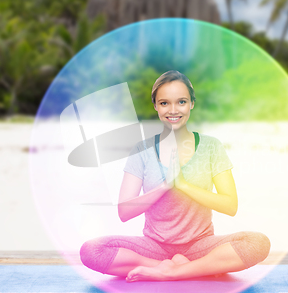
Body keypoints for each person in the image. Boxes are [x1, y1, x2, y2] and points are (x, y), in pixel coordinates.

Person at [80, 70, 270, 282]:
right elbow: (124, 211)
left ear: (192, 104)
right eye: (164, 103)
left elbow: (230, 206)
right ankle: (183, 268)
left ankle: (171, 271)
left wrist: (184, 186)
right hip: (154, 247)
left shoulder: (211, 146)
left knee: (258, 243)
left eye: (181, 102)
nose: (173, 110)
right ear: (155, 106)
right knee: (92, 251)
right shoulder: (141, 150)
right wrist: (164, 187)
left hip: (200, 245)